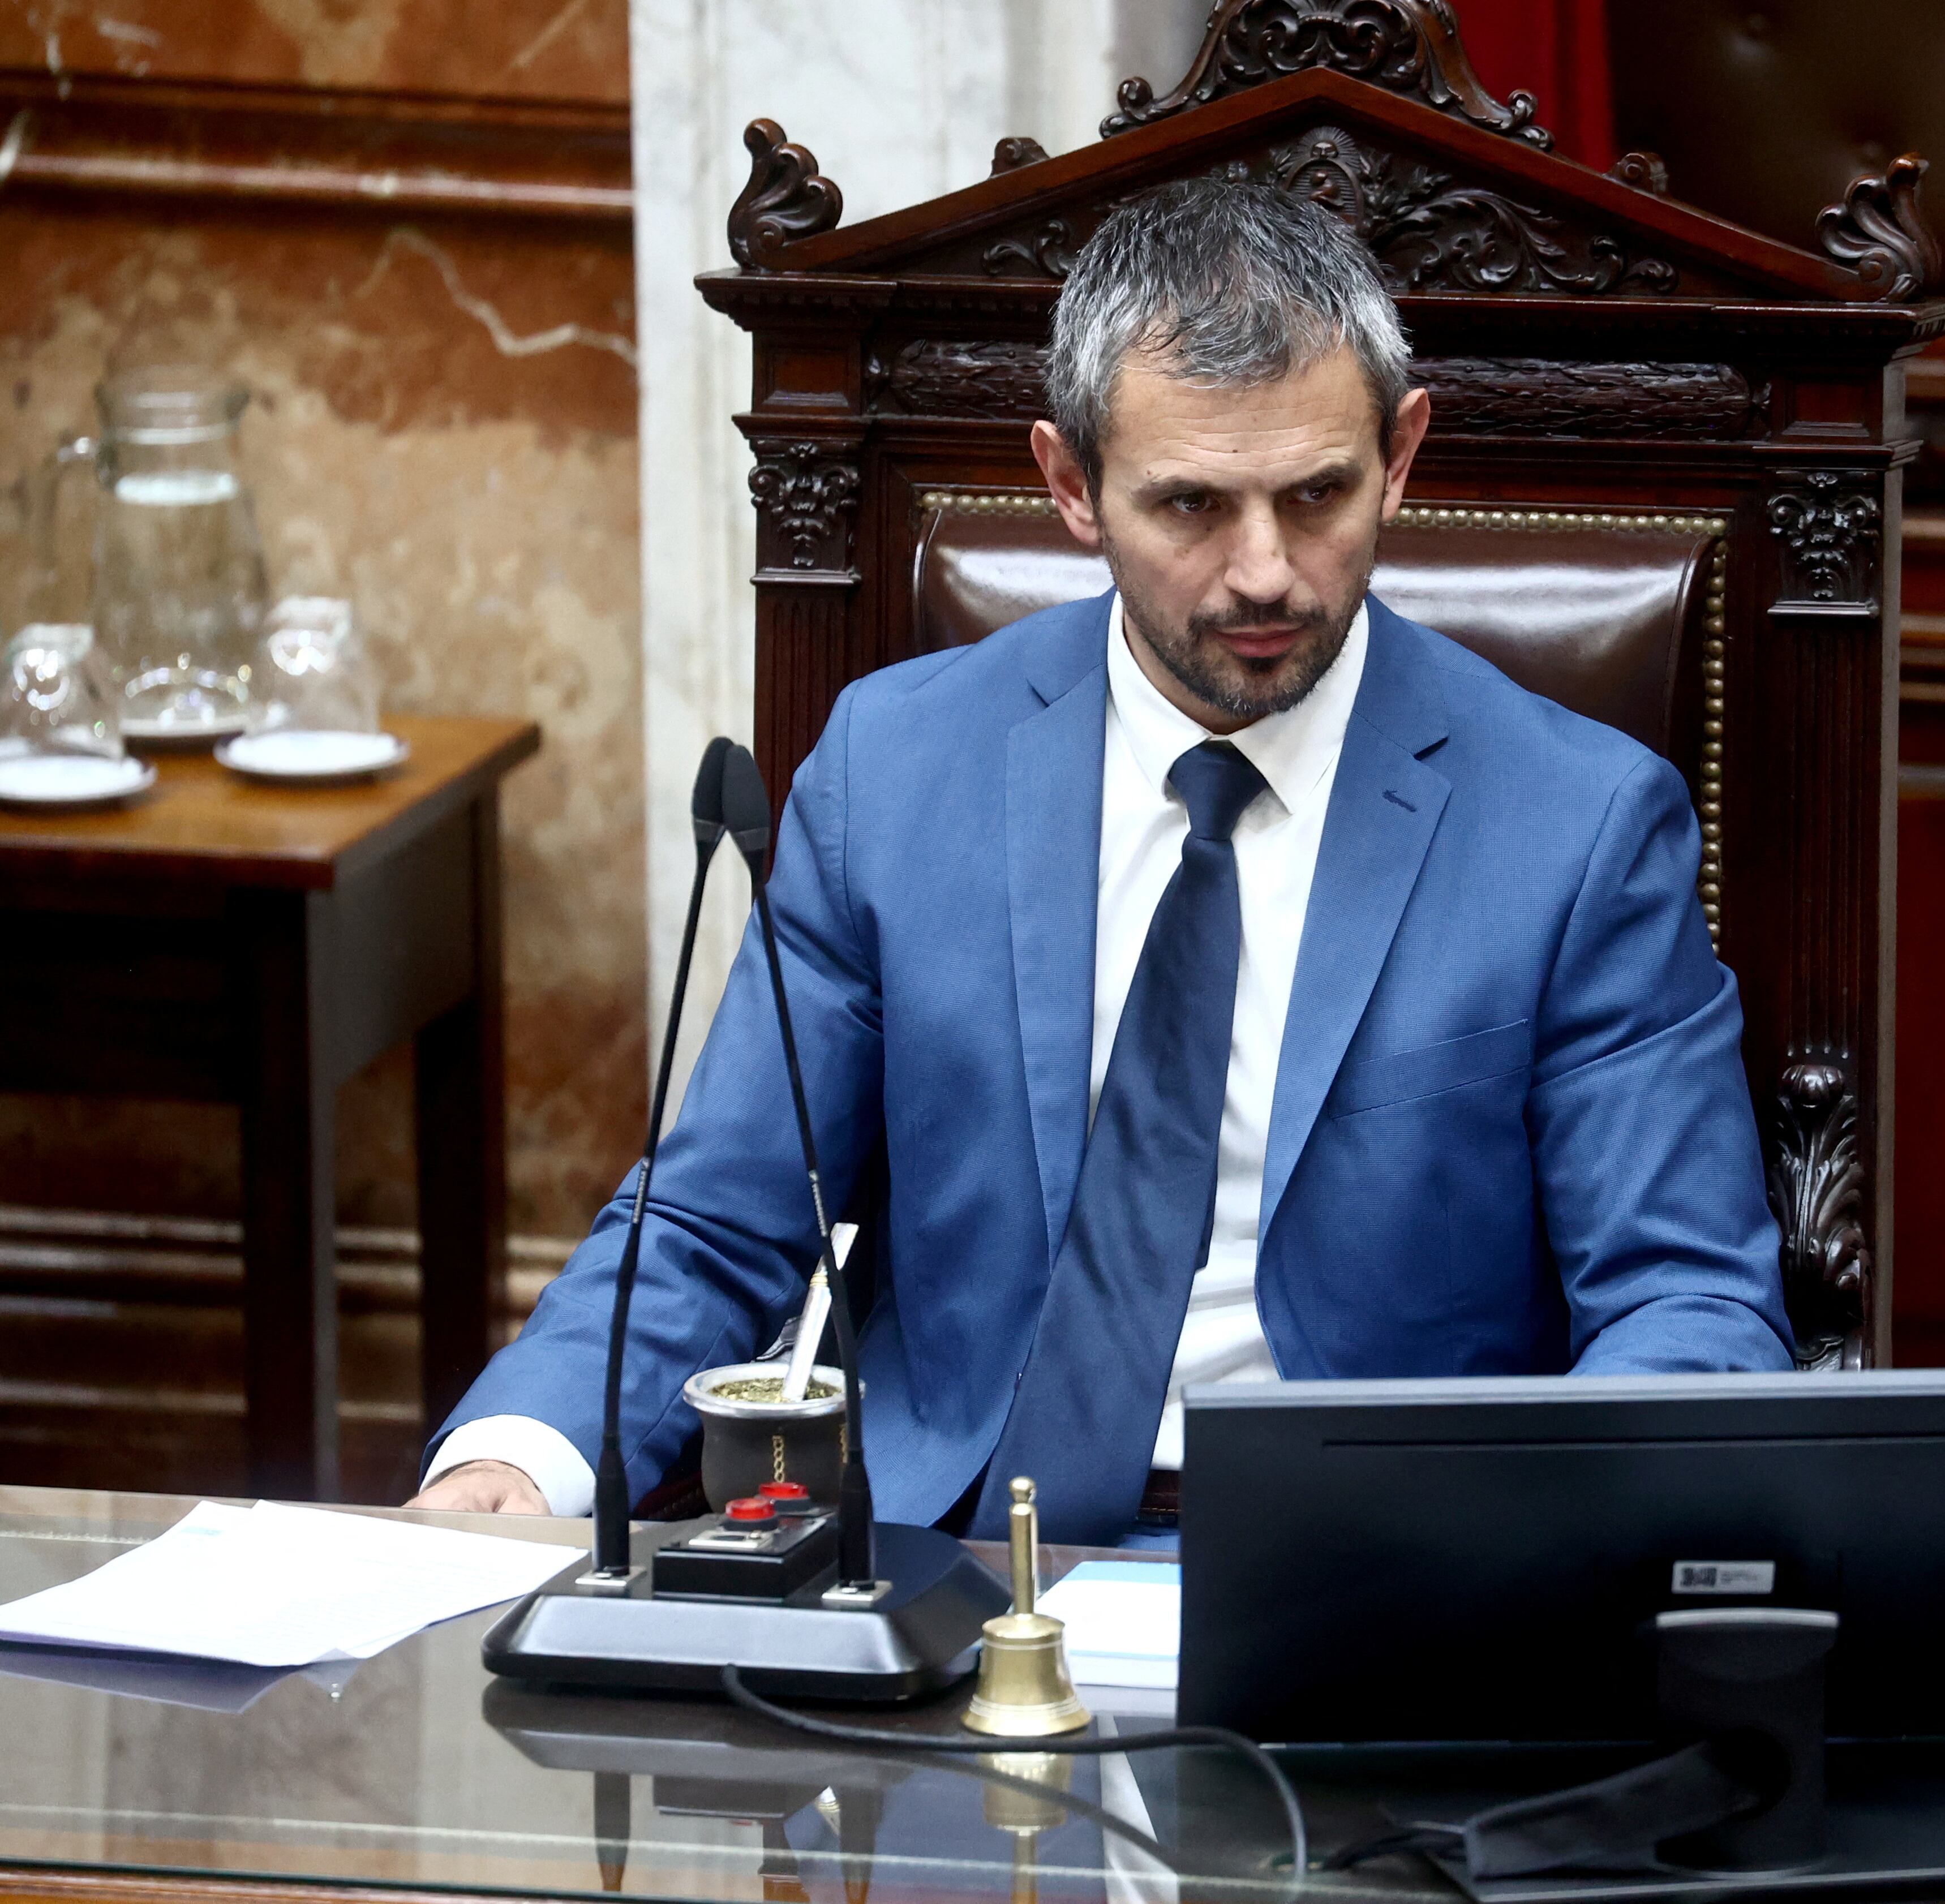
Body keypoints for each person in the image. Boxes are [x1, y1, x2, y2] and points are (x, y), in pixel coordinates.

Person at [413, 178, 1791, 1547]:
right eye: (1191, 507)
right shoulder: (895, 773)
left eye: (1318, 495)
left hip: (1386, 1574)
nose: (1267, 574)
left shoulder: (1580, 825)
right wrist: (518, 1462)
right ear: (1070, 486)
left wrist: (1537, 1562)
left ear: (1403, 454)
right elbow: (719, 1219)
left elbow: (1686, 1303)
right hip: (938, 1556)